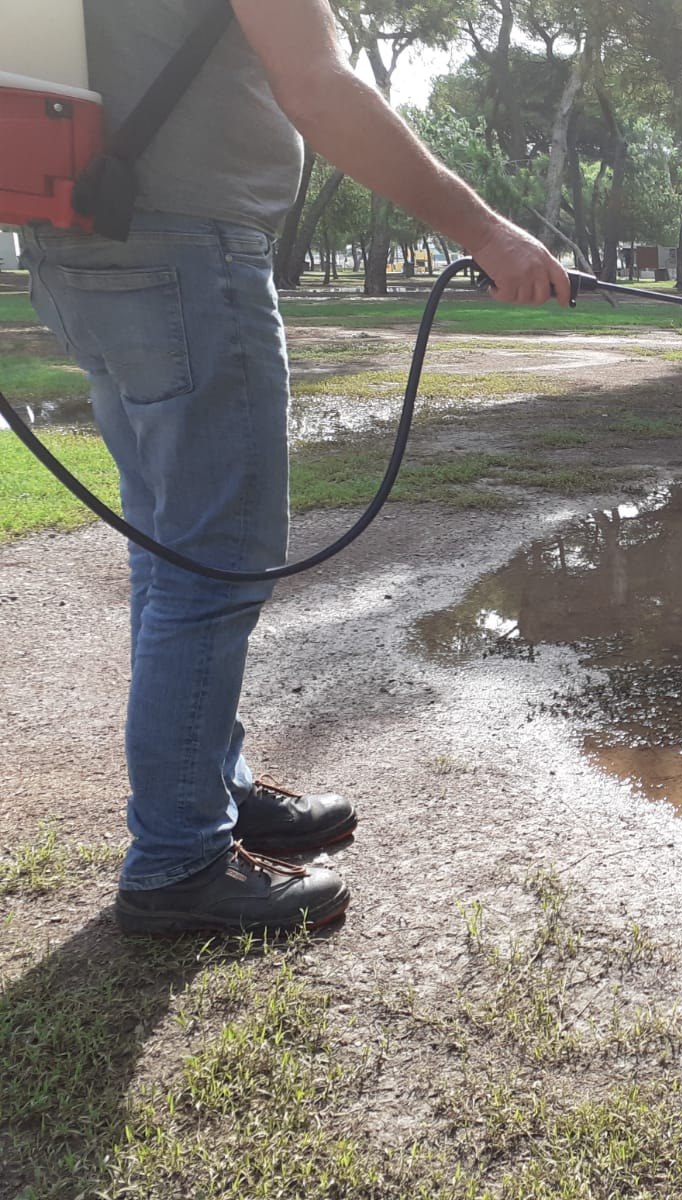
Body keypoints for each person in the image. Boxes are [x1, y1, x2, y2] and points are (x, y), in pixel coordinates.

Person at [20, 0, 569, 935]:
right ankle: (178, 858)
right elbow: (315, 84)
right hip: (186, 252)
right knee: (214, 563)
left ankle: (210, 792)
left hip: (91, 239)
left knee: (171, 555)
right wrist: (487, 231)